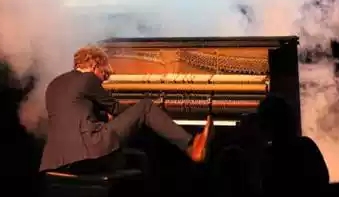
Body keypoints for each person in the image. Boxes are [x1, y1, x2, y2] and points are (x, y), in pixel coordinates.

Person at [40, 45, 212, 172]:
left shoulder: (54, 84)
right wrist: (140, 111)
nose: (104, 81)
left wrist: (105, 117)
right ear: (94, 66)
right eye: (104, 74)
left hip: (55, 160)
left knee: (134, 157)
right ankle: (191, 147)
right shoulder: (88, 78)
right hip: (88, 151)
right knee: (145, 107)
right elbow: (116, 108)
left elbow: (76, 115)